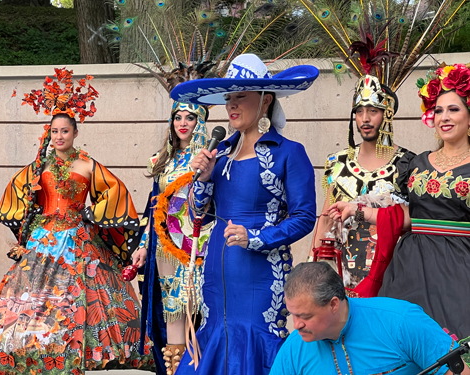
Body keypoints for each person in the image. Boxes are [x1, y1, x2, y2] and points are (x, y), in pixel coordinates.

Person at [0, 69, 154, 374]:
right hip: (43, 237)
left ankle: (85, 348)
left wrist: (94, 214)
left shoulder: (88, 164)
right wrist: (29, 207)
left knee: (81, 293)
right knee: (34, 294)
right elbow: (17, 191)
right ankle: (37, 345)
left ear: (75, 133)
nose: (59, 137)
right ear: (49, 132)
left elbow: (113, 191)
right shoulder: (38, 165)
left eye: (65, 132)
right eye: (54, 132)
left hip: (78, 238)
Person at [169, 53, 319, 375]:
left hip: (262, 273)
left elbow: (305, 216)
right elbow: (199, 214)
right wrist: (204, 180)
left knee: (256, 337)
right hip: (217, 265)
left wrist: (255, 238)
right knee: (214, 333)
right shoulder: (218, 153)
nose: (232, 105)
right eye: (228, 98)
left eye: (241, 96)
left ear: (265, 101)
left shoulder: (290, 153)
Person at [328, 62, 470, 341]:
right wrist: (357, 210)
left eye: (454, 109)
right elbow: (409, 215)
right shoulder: (418, 163)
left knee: (455, 347)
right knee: (401, 343)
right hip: (411, 267)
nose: (444, 117)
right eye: (438, 110)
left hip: (459, 266)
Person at [311, 33, 413, 298]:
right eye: (359, 111)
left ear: (387, 114)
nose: (365, 119)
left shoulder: (407, 164)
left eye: (373, 111)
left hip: (392, 278)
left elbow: (411, 223)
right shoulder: (338, 162)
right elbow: (325, 220)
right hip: (341, 280)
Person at [269, 262, 470, 375]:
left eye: (305, 316)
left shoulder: (401, 321)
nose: (296, 325)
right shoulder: (294, 348)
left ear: (333, 304)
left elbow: (459, 372)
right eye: (292, 315)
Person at [133, 99, 212, 375]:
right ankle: (174, 371)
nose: (182, 123)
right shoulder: (161, 160)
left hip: (198, 246)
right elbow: (153, 207)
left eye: (189, 118)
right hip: (165, 245)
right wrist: (143, 245)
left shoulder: (207, 159)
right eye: (177, 117)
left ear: (199, 122)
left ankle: (200, 368)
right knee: (173, 312)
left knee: (197, 310)